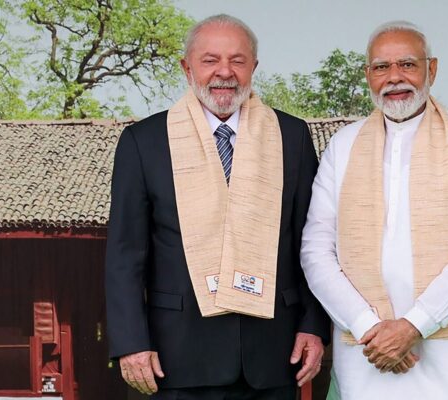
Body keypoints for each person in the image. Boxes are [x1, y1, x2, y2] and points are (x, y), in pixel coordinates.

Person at [105, 14, 330, 400]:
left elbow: (307, 242)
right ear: (186, 67)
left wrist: (313, 325)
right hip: (176, 356)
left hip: (273, 353)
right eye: (210, 60)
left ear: (254, 68)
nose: (224, 72)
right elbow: (125, 254)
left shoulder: (290, 136)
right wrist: (130, 342)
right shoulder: (144, 141)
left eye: (237, 61)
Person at [300, 21, 448, 399]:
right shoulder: (342, 148)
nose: (394, 78)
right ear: (368, 76)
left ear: (432, 69)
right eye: (381, 67)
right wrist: (369, 327)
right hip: (369, 353)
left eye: (407, 65)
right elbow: (316, 250)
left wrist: (413, 325)